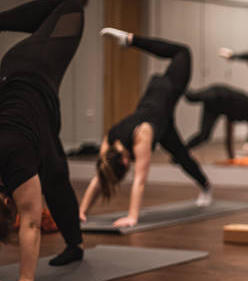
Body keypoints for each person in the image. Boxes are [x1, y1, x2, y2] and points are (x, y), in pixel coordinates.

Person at [0, 0, 85, 281]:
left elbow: (30, 223)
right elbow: (26, 220)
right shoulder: (17, 165)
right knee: (54, 170)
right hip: (2, 94)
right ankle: (75, 243)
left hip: (33, 68)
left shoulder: (17, 164)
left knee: (72, 9)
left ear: (5, 205)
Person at [79, 30, 212, 228]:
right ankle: (206, 186)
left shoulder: (142, 135)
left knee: (183, 52)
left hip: (165, 90)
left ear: (125, 160)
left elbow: (139, 181)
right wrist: (81, 212)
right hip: (158, 111)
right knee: (182, 157)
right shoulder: (110, 142)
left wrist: (132, 217)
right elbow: (100, 177)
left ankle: (131, 39)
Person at [184, 84, 248, 163]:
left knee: (204, 136)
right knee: (192, 97)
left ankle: (180, 154)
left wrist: (232, 158)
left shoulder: (237, 116)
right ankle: (178, 79)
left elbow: (229, 134)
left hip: (214, 108)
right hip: (218, 94)